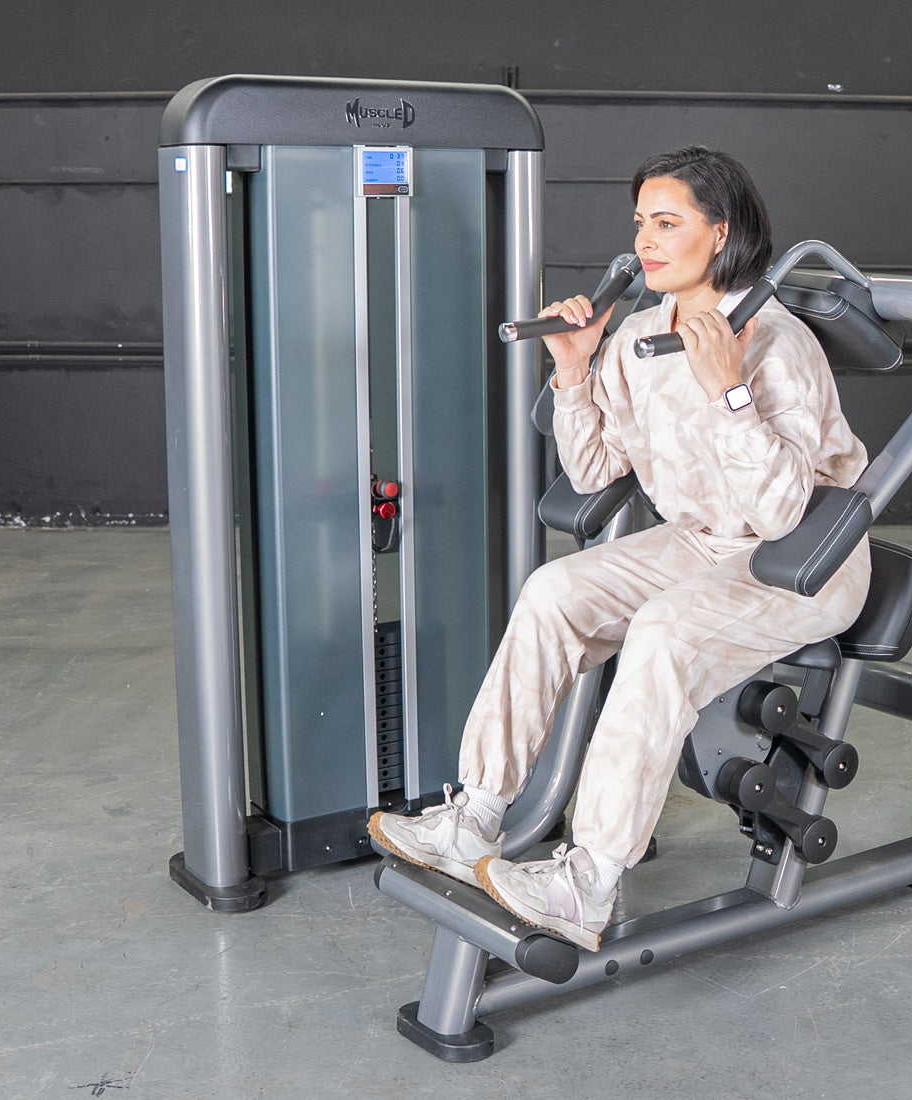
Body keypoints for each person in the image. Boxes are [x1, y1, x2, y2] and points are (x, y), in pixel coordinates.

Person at [369, 146, 871, 952]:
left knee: (664, 632)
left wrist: (727, 389)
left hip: (804, 563)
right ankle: (477, 815)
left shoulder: (777, 346)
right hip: (699, 542)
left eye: (668, 224)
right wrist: (573, 372)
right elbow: (597, 468)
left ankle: (588, 881)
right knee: (552, 592)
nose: (646, 241)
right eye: (641, 223)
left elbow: (783, 513)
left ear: (722, 233)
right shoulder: (639, 335)